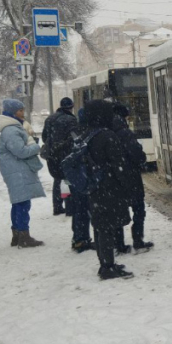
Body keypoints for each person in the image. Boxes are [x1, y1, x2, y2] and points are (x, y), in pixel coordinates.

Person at [84, 99, 134, 279]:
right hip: (109, 187)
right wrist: (126, 186)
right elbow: (119, 165)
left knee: (99, 226)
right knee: (106, 227)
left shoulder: (87, 134)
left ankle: (105, 262)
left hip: (94, 187)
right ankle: (108, 267)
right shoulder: (107, 136)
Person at [0, 99, 46, 247]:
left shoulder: (13, 127)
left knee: (18, 202)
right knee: (22, 203)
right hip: (17, 171)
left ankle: (17, 235)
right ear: (12, 112)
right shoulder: (11, 129)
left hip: (16, 170)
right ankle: (23, 235)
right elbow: (20, 151)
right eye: (20, 110)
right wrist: (35, 147)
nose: (23, 113)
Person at [112, 103, 153, 253]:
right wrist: (142, 160)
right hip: (130, 176)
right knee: (138, 209)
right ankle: (137, 240)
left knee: (118, 210)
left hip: (114, 178)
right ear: (125, 117)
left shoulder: (107, 131)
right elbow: (136, 153)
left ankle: (119, 244)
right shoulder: (125, 132)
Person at [42, 98, 78, 216]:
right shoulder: (71, 120)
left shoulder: (49, 119)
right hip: (65, 153)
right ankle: (69, 207)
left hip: (51, 154)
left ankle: (57, 206)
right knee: (67, 179)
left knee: (57, 179)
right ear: (71, 107)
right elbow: (74, 137)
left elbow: (44, 137)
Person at [69, 107, 95, 253]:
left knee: (79, 209)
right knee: (86, 209)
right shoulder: (88, 132)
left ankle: (79, 238)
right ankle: (82, 239)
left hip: (77, 177)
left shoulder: (74, 131)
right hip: (85, 176)